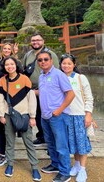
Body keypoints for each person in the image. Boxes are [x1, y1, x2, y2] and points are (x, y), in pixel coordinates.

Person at [0, 57, 41, 181]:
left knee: (28, 142)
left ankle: (34, 166)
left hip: (24, 115)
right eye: (7, 64)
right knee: (10, 142)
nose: (10, 66)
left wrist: (32, 116)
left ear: (16, 65)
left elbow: (31, 98)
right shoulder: (2, 80)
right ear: (4, 67)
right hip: (8, 115)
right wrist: (0, 115)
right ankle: (10, 164)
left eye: (12, 64)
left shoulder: (25, 79)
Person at [37, 50, 75, 182]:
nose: (43, 62)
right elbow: (43, 92)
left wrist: (59, 110)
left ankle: (65, 172)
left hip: (58, 116)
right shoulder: (41, 76)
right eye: (40, 60)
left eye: (45, 59)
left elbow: (71, 94)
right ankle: (55, 164)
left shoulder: (59, 74)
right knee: (51, 143)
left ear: (51, 60)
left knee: (61, 144)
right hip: (45, 116)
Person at [60, 54, 93, 182]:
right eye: (64, 63)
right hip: (66, 115)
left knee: (82, 142)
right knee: (72, 143)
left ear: (74, 65)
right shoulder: (59, 77)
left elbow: (89, 97)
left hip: (79, 115)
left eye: (69, 63)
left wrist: (88, 113)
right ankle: (77, 164)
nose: (66, 65)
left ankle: (83, 169)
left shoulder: (80, 78)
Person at [22, 33, 59, 146]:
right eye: (33, 40)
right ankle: (41, 135)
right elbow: (23, 70)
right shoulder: (28, 55)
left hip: (46, 89)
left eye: (38, 40)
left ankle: (51, 139)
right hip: (31, 90)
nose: (35, 42)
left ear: (43, 41)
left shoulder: (50, 54)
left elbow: (56, 71)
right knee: (36, 114)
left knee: (47, 113)